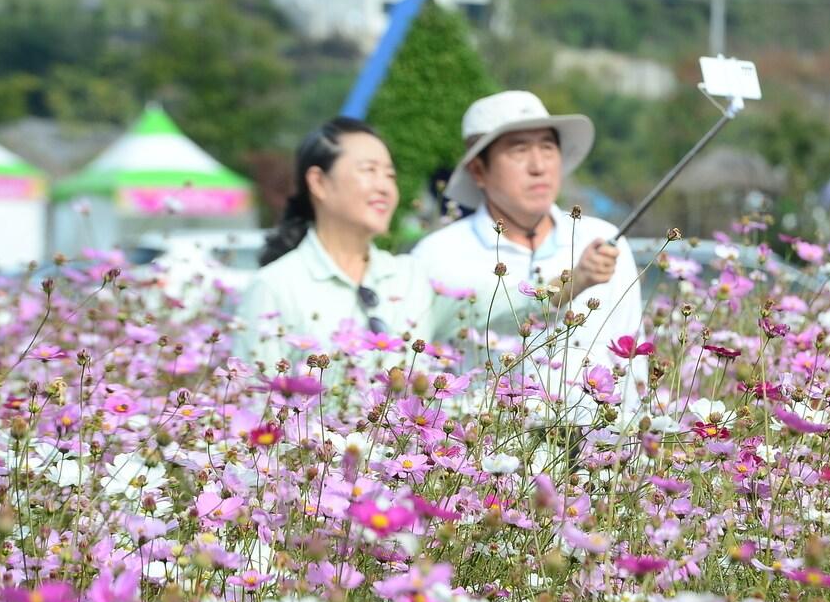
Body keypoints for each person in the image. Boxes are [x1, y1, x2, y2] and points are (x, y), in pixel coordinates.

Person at [412, 90, 644, 416]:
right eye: (519, 150)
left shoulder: (602, 238)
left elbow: (631, 358)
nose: (538, 166)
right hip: (482, 450)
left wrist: (630, 447)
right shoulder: (437, 255)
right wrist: (569, 285)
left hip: (596, 451)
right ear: (479, 170)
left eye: (548, 147)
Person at [233, 117, 440, 370]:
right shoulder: (275, 286)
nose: (385, 186)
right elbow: (255, 399)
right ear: (319, 182)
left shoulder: (410, 276)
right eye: (369, 170)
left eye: (390, 174)